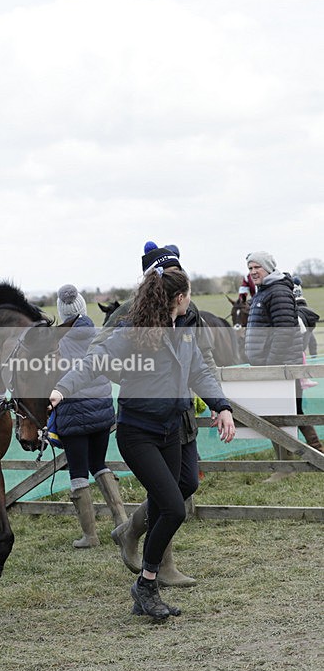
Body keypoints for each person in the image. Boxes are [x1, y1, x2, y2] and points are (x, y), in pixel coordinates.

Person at [49, 269, 235, 620]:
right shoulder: (133, 332)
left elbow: (200, 373)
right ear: (179, 298)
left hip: (171, 429)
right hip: (139, 433)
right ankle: (146, 585)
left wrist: (221, 406)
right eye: (189, 293)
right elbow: (95, 359)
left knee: (184, 486)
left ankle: (132, 539)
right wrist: (63, 387)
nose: (190, 299)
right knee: (174, 509)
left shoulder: (183, 333)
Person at [104, 242, 219, 587]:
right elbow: (103, 356)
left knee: (187, 483)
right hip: (148, 416)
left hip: (181, 412)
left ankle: (130, 530)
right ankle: (162, 566)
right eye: (166, 273)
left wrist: (216, 400)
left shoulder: (190, 310)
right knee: (169, 492)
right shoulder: (129, 311)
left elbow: (203, 355)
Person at [53, 284, 127, 548]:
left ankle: (90, 535)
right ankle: (122, 523)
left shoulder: (59, 341)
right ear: (83, 308)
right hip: (103, 411)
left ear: (63, 313)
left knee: (78, 473)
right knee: (100, 464)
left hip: (73, 414)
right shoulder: (100, 334)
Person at [244, 251, 322, 479]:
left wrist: (270, 365)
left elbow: (284, 332)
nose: (253, 272)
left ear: (268, 268)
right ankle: (314, 454)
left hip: (280, 367)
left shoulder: (276, 292)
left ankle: (286, 466)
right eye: (250, 268)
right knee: (288, 412)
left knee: (281, 415)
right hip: (272, 366)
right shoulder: (264, 292)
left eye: (257, 267)